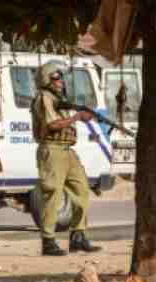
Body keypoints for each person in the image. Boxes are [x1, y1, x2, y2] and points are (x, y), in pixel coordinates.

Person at [31, 60, 102, 256]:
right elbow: (53, 125)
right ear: (46, 79)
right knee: (52, 194)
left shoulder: (58, 98)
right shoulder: (44, 97)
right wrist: (77, 117)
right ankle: (48, 241)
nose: (61, 80)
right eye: (56, 77)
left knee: (81, 189)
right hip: (52, 150)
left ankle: (78, 236)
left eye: (61, 76)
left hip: (67, 150)